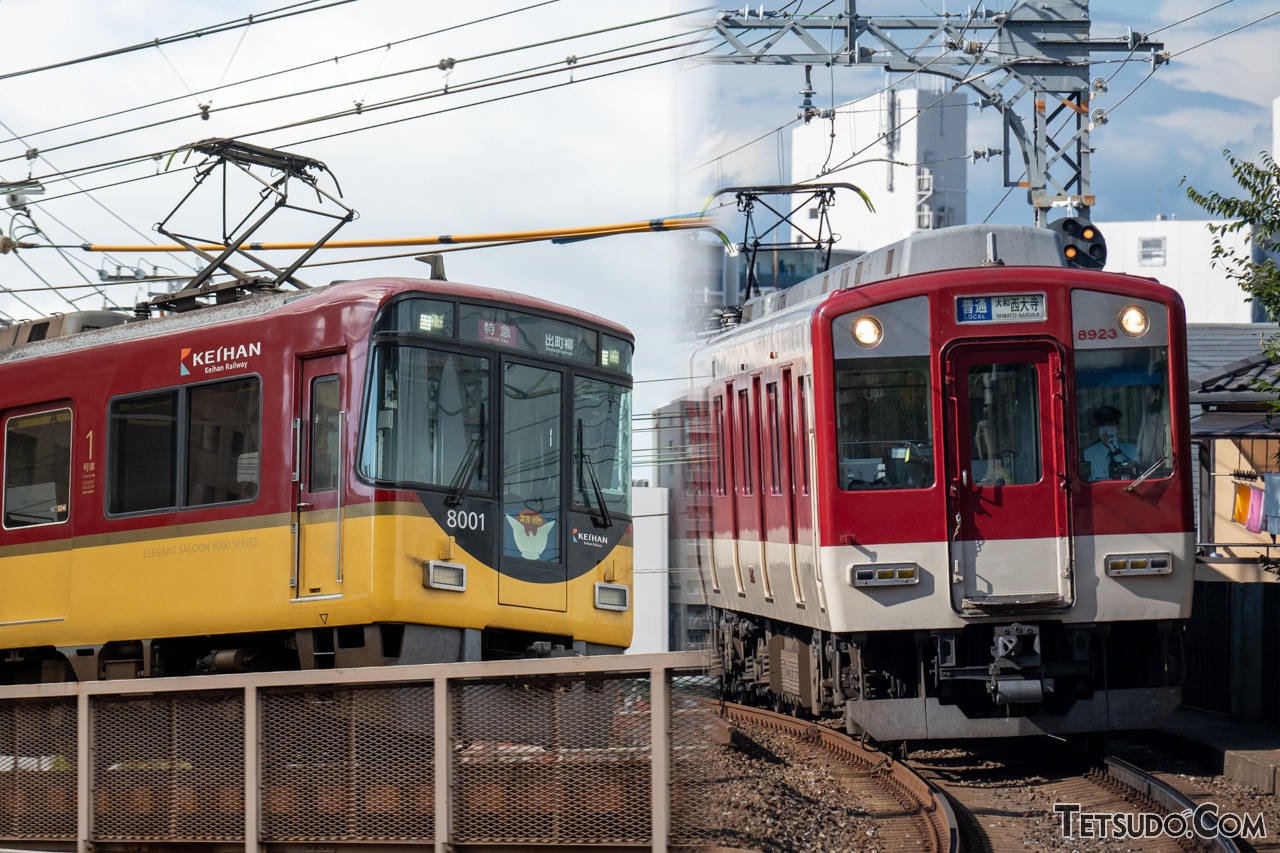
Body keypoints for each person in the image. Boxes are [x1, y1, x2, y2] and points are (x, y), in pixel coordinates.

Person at [1083, 405, 1140, 481]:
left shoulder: (1130, 450)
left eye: (1110, 425)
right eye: (1103, 425)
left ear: (1117, 427)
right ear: (1098, 429)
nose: (1107, 429)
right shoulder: (1088, 454)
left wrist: (1116, 452)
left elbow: (1135, 475)